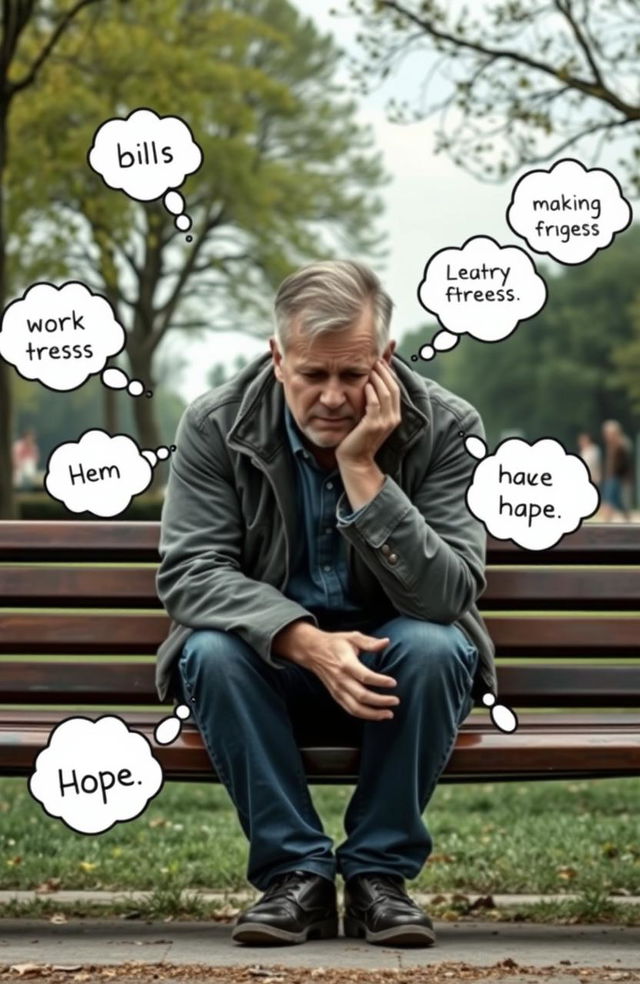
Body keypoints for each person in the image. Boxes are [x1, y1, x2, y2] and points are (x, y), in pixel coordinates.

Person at [155, 260, 497, 948]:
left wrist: (364, 470)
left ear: (387, 358)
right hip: (269, 670)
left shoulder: (448, 425)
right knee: (209, 650)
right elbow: (192, 572)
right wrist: (304, 640)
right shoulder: (216, 424)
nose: (335, 398)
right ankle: (297, 880)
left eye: (354, 373)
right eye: (314, 375)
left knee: (436, 644)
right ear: (277, 357)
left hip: (394, 669)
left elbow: (449, 593)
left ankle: (378, 880)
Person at [600, 419, 633, 521]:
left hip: (618, 479)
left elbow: (623, 466)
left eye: (607, 433)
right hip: (613, 478)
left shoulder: (622, 445)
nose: (605, 436)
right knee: (613, 505)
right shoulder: (612, 445)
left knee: (610, 504)